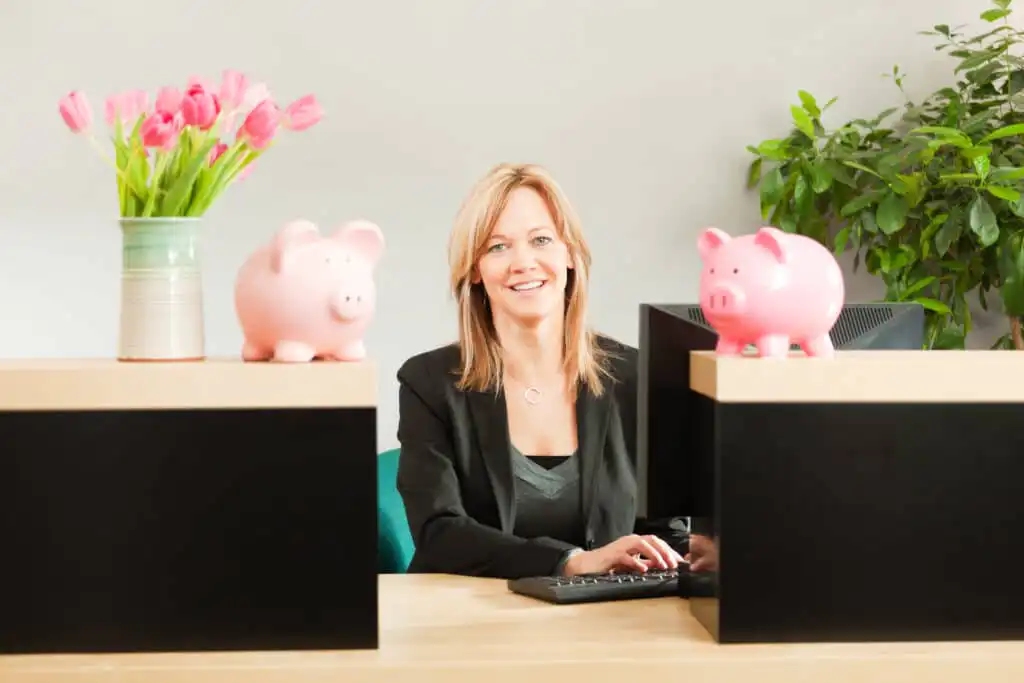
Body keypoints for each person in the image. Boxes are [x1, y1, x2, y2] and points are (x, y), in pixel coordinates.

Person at [395, 162, 702, 579]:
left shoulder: (638, 377)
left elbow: (665, 534)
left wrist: (708, 554)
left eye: (541, 240)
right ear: (474, 270)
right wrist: (570, 561)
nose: (523, 262)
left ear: (571, 255)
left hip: (606, 622)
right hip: (469, 623)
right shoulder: (429, 382)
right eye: (497, 247)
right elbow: (439, 531)